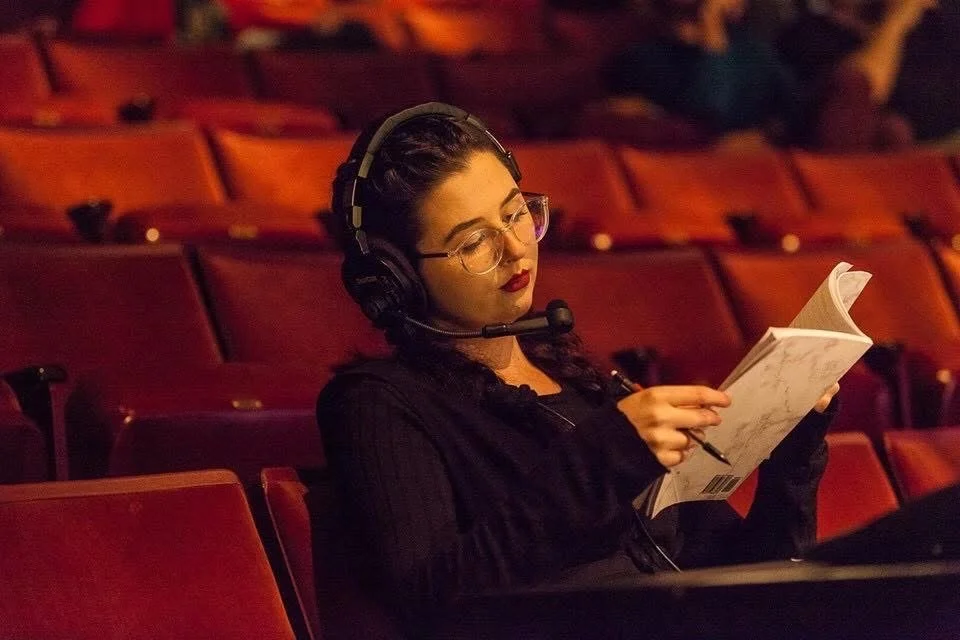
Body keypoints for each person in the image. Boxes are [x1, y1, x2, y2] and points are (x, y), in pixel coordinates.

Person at [316, 102, 839, 637]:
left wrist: (791, 458)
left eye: (516, 213)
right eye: (473, 242)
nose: (515, 248)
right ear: (398, 277)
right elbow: (432, 600)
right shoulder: (377, 403)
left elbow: (751, 586)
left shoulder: (586, 387)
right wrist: (602, 459)